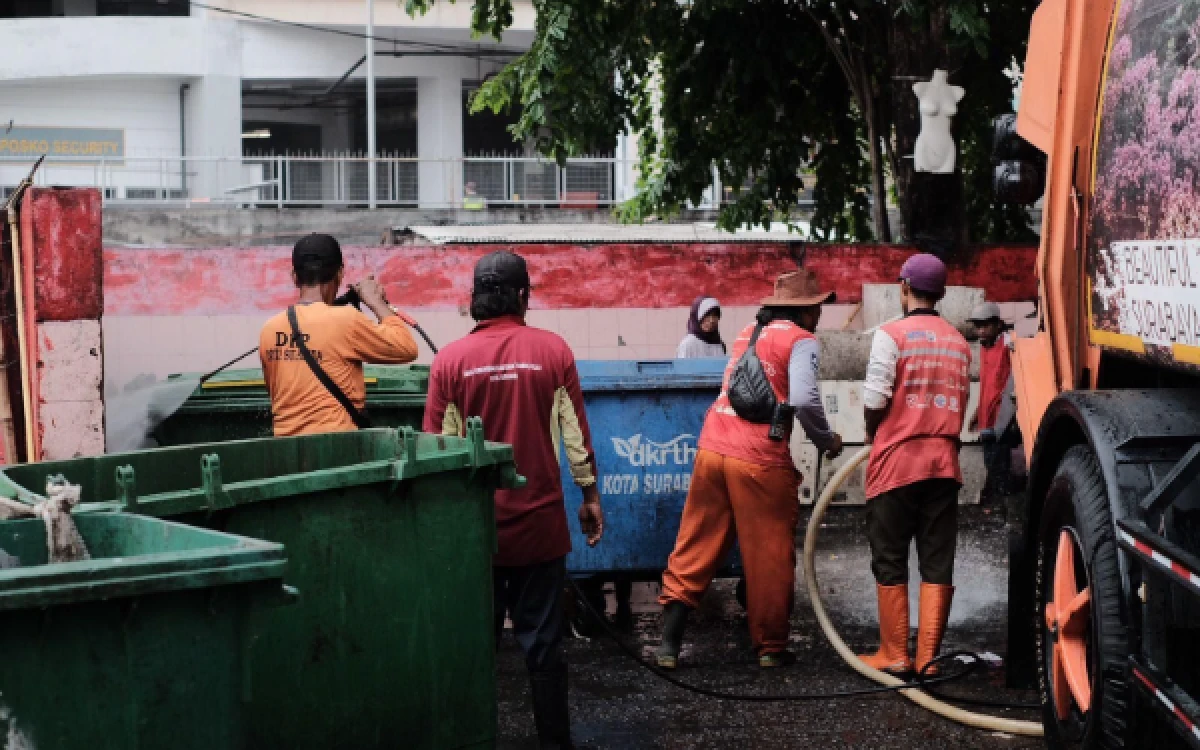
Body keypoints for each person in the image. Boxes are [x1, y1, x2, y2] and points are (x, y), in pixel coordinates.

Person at [423, 250, 604, 750]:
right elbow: (576, 440)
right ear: (522, 296)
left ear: (476, 300)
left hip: (476, 535)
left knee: (477, 647)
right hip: (541, 529)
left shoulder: (450, 362)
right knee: (544, 646)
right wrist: (589, 495)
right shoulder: (553, 351)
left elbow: (439, 452)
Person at [656, 270, 844, 669]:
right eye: (816, 308)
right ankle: (771, 649)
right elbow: (805, 400)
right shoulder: (801, 340)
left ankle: (668, 646)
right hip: (758, 459)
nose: (819, 316)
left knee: (696, 543)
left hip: (711, 449)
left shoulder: (748, 332)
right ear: (805, 310)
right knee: (769, 554)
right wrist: (827, 441)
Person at [860, 253, 971, 676]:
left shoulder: (891, 334)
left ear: (904, 288)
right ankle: (928, 659)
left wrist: (874, 431)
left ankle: (894, 654)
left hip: (895, 464)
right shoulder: (959, 343)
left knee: (889, 558)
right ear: (940, 293)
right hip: (943, 466)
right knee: (937, 560)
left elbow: (874, 399)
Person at [260, 233, 418, 436]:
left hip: (286, 453)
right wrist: (375, 301)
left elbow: (275, 393)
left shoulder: (269, 330)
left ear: (294, 276)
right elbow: (406, 348)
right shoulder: (346, 320)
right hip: (339, 449)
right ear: (340, 274)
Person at [968, 301, 1014, 502]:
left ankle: (1002, 506)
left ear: (998, 325)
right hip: (987, 417)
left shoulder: (1007, 345)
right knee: (992, 463)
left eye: (985, 325)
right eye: (978, 326)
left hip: (1001, 419)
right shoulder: (984, 348)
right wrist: (978, 412)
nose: (981, 331)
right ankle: (999, 502)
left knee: (998, 464)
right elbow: (987, 384)